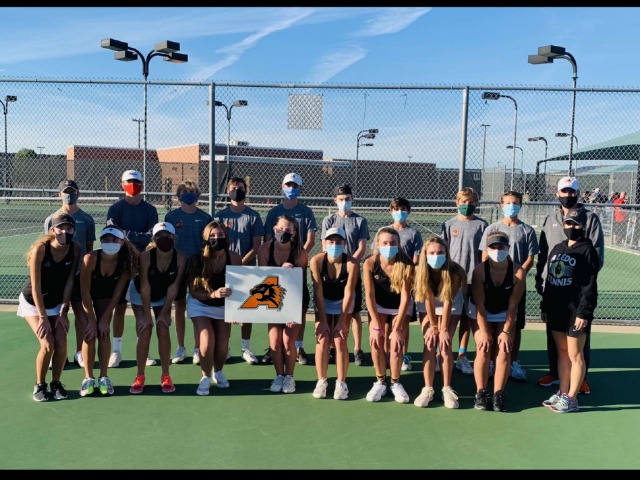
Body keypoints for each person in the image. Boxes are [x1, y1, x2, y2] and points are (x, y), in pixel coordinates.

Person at [535, 176, 605, 395]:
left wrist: (582, 280)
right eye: (564, 192)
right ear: (558, 194)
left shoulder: (590, 218)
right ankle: (555, 372)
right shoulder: (551, 218)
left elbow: (596, 255)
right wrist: (541, 277)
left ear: (578, 193)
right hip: (554, 286)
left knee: (579, 337)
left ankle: (580, 378)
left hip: (575, 290)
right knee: (554, 333)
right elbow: (544, 251)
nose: (568, 195)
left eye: (572, 192)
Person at [541, 207, 599, 413]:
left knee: (576, 354)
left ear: (583, 226)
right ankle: (563, 392)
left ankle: (572, 398)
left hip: (575, 312)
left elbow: (589, 286)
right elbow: (550, 280)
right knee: (562, 353)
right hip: (557, 310)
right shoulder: (557, 248)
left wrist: (584, 312)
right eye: (568, 223)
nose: (571, 227)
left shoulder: (587, 250)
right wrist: (545, 305)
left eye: (576, 224)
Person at [18, 213, 81, 401]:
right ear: (52, 231)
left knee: (62, 343)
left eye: (69, 228)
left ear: (74, 231)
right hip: (33, 302)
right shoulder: (40, 249)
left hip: (56, 303)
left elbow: (70, 281)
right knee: (47, 344)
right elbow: (36, 287)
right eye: (60, 228)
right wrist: (44, 318)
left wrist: (64, 309)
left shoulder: (75, 248)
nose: (65, 232)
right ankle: (40, 385)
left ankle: (56, 383)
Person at [479, 190, 538, 383]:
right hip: (493, 286)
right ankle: (493, 362)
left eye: (515, 202)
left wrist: (517, 277)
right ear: (501, 205)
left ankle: (512, 362)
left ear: (520, 205)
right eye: (508, 202)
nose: (511, 206)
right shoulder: (491, 229)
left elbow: (530, 258)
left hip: (515, 285)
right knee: (491, 324)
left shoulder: (527, 230)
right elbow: (485, 256)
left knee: (515, 325)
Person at [77, 226, 138, 397]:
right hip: (84, 295)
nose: (109, 243)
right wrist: (91, 319)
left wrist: (103, 320)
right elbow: (84, 292)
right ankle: (88, 378)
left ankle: (104, 377)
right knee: (89, 333)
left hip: (107, 296)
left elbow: (117, 295)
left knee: (103, 331)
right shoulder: (90, 259)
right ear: (100, 242)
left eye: (113, 240)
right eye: (105, 240)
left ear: (121, 242)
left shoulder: (126, 262)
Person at [263, 173, 317, 366]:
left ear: (300, 188)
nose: (291, 189)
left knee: (298, 310)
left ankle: (299, 346)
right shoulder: (273, 213)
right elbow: (268, 240)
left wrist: (297, 256)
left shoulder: (306, 212)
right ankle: (273, 347)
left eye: (295, 186)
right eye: (288, 185)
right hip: (278, 267)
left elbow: (310, 239)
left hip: (296, 267)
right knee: (273, 306)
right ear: (282, 186)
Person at [106, 169, 158, 368]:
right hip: (119, 266)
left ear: (142, 185)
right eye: (129, 181)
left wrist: (128, 235)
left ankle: (143, 352)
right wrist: (133, 236)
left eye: (137, 181)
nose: (133, 184)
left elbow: (151, 235)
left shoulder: (150, 210)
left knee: (141, 311)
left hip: (141, 266)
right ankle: (116, 351)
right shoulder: (115, 209)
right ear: (122, 184)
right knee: (118, 310)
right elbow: (115, 234)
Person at [128, 222, 187, 394]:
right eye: (160, 237)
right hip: (140, 294)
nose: (164, 240)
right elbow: (145, 287)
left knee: (163, 327)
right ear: (154, 239)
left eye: (168, 236)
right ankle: (139, 376)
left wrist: (164, 312)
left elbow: (174, 287)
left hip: (164, 295)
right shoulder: (145, 257)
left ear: (174, 238)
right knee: (146, 328)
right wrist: (147, 315)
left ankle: (166, 375)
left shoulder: (181, 258)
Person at [470, 230, 526, 412]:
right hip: (481, 312)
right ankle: (481, 392)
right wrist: (485, 332)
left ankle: (498, 394)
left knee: (503, 349)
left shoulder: (518, 272)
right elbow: (479, 304)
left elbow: (513, 306)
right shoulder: (479, 271)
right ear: (487, 249)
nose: (497, 250)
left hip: (504, 312)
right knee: (483, 347)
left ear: (508, 248)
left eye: (501, 246)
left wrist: (506, 332)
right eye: (493, 247)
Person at [44, 179, 96, 369]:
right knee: (58, 313)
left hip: (79, 274)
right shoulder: (51, 219)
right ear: (59, 194)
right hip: (58, 276)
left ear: (78, 194)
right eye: (65, 192)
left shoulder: (87, 218)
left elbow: (89, 248)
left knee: (81, 313)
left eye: (72, 191)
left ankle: (79, 352)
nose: (69, 195)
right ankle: (59, 352)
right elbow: (47, 246)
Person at [187, 221, 242, 395]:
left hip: (224, 307)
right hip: (200, 304)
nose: (217, 238)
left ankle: (218, 371)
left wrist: (237, 311)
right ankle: (205, 376)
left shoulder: (234, 257)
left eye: (220, 235)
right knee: (207, 340)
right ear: (205, 238)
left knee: (222, 346)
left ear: (226, 236)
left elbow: (241, 287)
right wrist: (213, 294)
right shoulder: (197, 259)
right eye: (212, 236)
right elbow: (194, 291)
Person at [213, 176, 265, 365]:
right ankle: (224, 348)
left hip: (246, 269)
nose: (237, 190)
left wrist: (239, 263)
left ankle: (246, 348)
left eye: (240, 187)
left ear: (246, 190)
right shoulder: (220, 216)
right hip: (223, 270)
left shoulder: (253, 216)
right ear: (228, 191)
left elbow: (257, 245)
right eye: (233, 188)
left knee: (247, 310)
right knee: (226, 309)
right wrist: (228, 264)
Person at [413, 236, 467, 408]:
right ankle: (428, 388)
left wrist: (443, 329)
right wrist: (434, 327)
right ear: (425, 254)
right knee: (429, 342)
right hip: (427, 303)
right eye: (432, 253)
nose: (436, 256)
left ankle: (446, 388)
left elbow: (447, 300)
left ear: (447, 253)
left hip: (450, 303)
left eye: (440, 252)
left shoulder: (456, 272)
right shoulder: (421, 271)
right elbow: (428, 299)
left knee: (445, 343)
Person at [257, 214, 309, 394]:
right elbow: (263, 279)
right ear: (274, 229)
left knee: (288, 341)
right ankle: (279, 375)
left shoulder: (300, 253)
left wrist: (291, 312)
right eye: (281, 229)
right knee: (275, 343)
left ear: (294, 234)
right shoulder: (264, 250)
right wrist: (280, 272)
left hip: (295, 298)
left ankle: (290, 377)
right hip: (272, 298)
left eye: (288, 230)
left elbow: (299, 284)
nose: (283, 232)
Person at [362, 227, 414, 403]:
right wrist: (376, 326)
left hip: (400, 307)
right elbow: (369, 296)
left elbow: (406, 297)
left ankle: (395, 382)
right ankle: (380, 381)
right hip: (379, 306)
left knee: (396, 342)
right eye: (385, 243)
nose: (389, 246)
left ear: (399, 244)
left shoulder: (406, 264)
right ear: (378, 244)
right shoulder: (370, 263)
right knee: (376, 341)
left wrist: (398, 327)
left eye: (392, 243)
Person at [321, 184, 369, 367]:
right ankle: (333, 347)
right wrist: (335, 266)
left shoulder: (360, 221)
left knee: (354, 312)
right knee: (332, 313)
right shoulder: (328, 220)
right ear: (335, 200)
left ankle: (357, 349)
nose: (344, 202)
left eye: (347, 199)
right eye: (341, 199)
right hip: (332, 274)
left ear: (352, 199)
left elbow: (362, 247)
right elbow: (325, 246)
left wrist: (350, 266)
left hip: (351, 272)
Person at [164, 180, 212, 366]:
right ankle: (181, 347)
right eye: (184, 191)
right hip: (177, 268)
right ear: (178, 195)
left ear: (198, 195)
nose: (188, 194)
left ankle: (197, 349)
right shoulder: (171, 217)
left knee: (196, 308)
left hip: (198, 269)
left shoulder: (205, 218)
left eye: (192, 191)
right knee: (180, 306)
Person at [441, 187, 487, 377]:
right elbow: (442, 251)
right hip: (452, 279)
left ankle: (462, 355)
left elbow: (484, 253)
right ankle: (442, 353)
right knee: (449, 316)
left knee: (468, 318)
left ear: (476, 203)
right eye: (463, 202)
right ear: (456, 203)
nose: (467, 206)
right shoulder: (448, 224)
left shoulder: (482, 225)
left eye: (471, 202)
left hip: (472, 279)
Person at [310, 226, 359, 400]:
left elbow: (348, 293)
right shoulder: (316, 261)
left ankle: (341, 382)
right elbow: (318, 293)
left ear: (344, 243)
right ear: (324, 243)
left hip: (343, 305)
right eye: (331, 241)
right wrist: (322, 320)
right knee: (322, 339)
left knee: (339, 339)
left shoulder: (352, 263)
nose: (334, 245)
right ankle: (321, 381)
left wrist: (340, 322)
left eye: (338, 242)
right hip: (324, 303)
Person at [381, 197, 422, 372]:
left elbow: (416, 260)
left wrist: (409, 277)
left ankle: (403, 353)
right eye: (396, 209)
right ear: (391, 211)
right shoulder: (384, 231)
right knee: (386, 323)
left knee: (403, 320)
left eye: (403, 209)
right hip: (385, 284)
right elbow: (378, 256)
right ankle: (385, 353)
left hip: (405, 283)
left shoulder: (413, 234)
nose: (400, 212)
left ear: (408, 212)